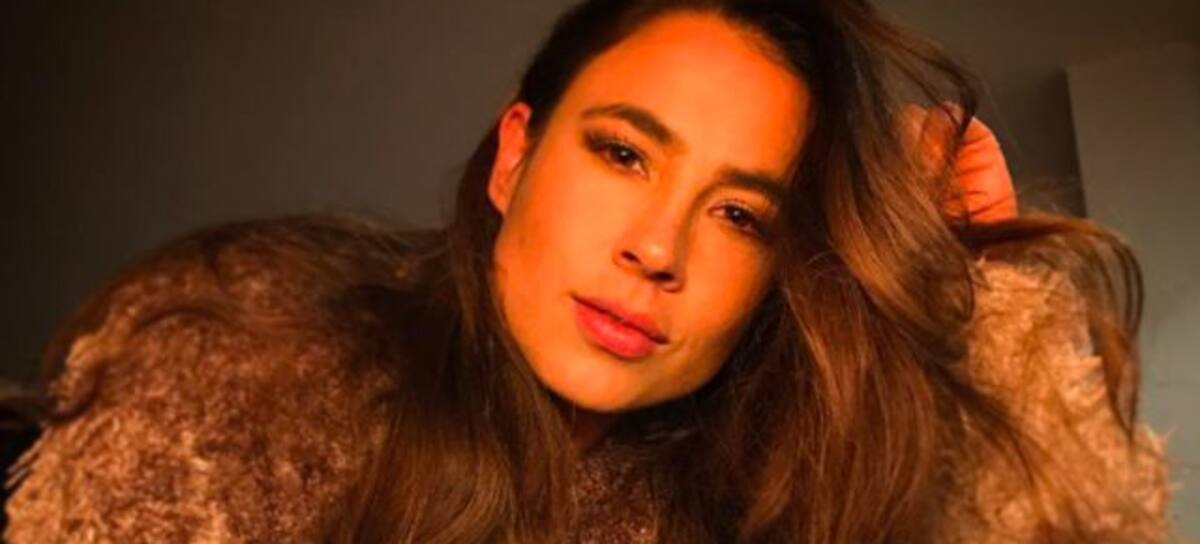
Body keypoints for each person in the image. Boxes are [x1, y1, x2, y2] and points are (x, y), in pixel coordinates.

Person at [2, 0, 1172, 542]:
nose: (657, 249)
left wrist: (987, 299)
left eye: (742, 215)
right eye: (622, 153)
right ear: (516, 155)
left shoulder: (784, 495)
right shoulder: (235, 389)